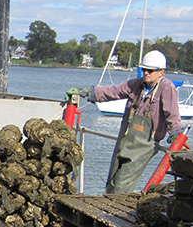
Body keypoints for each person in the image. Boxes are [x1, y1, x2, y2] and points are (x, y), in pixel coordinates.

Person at [66, 50, 182, 194]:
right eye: (144, 70)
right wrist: (89, 92)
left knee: (122, 184)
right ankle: (105, 207)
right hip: (125, 140)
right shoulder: (136, 84)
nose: (146, 73)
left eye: (150, 71)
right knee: (112, 181)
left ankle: (114, 213)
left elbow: (172, 113)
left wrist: (175, 132)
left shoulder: (166, 87)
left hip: (144, 145)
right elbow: (114, 91)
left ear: (161, 72)